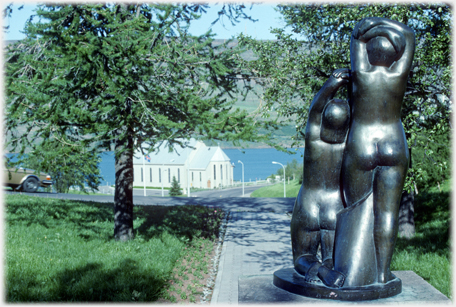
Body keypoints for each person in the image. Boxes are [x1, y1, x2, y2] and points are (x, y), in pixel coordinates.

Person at [341, 17, 415, 284]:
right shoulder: (398, 76)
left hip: (363, 142)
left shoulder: (361, 72)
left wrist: (373, 24)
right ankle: (382, 272)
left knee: (356, 209)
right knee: (387, 213)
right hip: (394, 142)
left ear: (369, 54)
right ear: (394, 55)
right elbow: (409, 35)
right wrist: (387, 25)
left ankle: (353, 271)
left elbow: (357, 34)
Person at [290, 68, 350, 287]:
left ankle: (320, 272)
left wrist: (333, 83)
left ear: (325, 119)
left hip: (308, 203)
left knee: (301, 258)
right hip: (336, 206)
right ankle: (327, 268)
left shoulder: (314, 137)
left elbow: (315, 109)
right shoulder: (350, 143)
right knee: (332, 257)